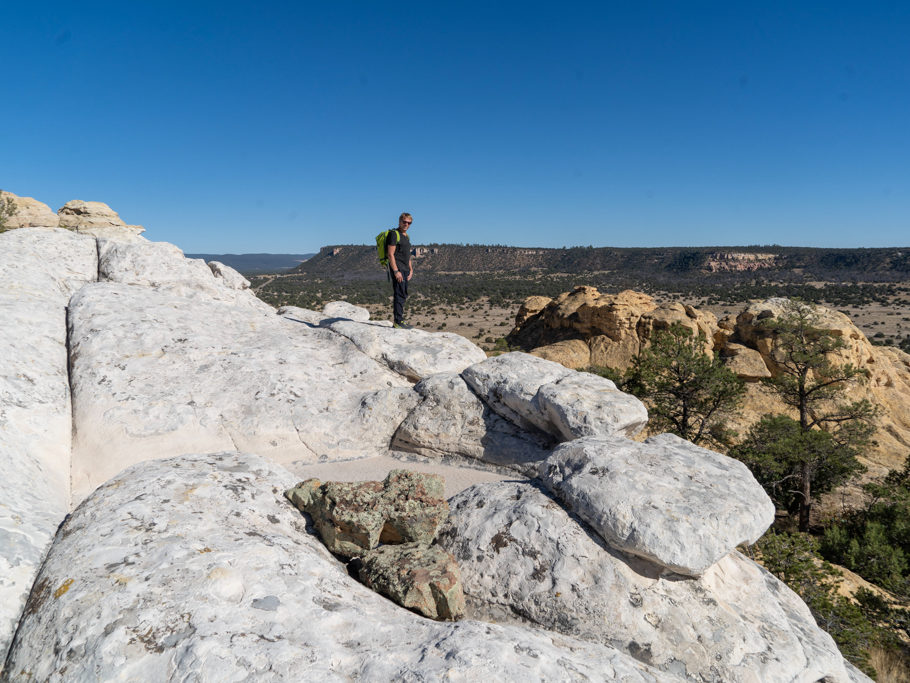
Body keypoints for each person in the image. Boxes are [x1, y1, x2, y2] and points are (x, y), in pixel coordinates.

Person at [387, 212, 414, 328]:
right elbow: (390, 254)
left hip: (405, 269)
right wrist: (396, 271)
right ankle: (398, 322)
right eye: (404, 222)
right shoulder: (394, 234)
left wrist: (411, 269)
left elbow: (407, 256)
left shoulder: (406, 236)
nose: (406, 224)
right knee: (399, 294)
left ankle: (400, 320)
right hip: (398, 269)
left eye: (409, 223)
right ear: (399, 221)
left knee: (403, 294)